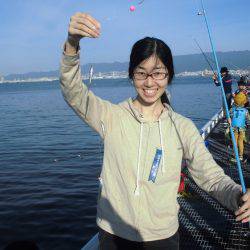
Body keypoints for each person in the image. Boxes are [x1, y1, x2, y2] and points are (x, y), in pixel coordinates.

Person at [60, 12, 250, 250]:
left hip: (163, 237)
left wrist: (237, 196)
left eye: (158, 73)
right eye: (141, 72)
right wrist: (72, 45)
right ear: (132, 75)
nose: (150, 82)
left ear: (169, 75)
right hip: (113, 235)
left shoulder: (182, 127)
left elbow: (210, 176)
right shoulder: (111, 116)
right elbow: (73, 92)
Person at [228, 92, 250, 162]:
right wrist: (248, 126)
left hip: (234, 128)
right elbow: (248, 120)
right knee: (241, 142)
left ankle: (235, 156)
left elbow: (229, 117)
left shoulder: (232, 110)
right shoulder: (245, 111)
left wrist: (229, 120)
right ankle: (240, 156)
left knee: (234, 142)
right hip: (242, 128)